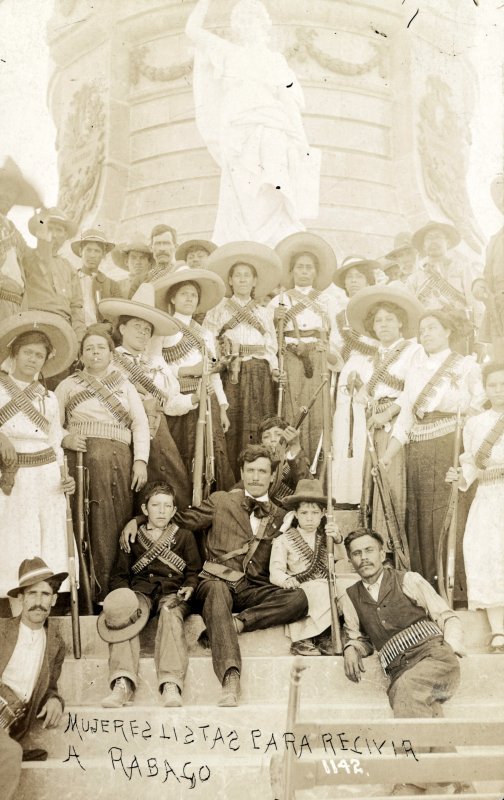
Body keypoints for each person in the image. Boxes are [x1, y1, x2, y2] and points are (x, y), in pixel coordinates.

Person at [122, 444, 309, 706]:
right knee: (219, 589)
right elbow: (180, 519)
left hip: (253, 587)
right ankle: (230, 678)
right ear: (242, 472)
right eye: (250, 470)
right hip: (213, 583)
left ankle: (237, 624)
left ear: (272, 475)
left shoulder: (281, 516)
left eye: (262, 471)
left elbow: (308, 535)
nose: (255, 477)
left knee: (298, 598)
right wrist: (138, 520)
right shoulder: (221, 500)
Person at [341, 529, 467, 797]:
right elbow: (361, 639)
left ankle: (409, 780)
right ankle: (456, 780)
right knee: (412, 698)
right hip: (401, 672)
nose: (364, 558)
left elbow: (447, 616)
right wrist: (351, 648)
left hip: (436, 658)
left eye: (369, 550)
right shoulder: (350, 597)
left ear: (382, 553)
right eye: (356, 553)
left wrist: (452, 648)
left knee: (407, 690)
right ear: (350, 560)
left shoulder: (408, 580)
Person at [185, 0, 320, 247]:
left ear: (263, 24)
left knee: (273, 189)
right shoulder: (228, 53)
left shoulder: (275, 60)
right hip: (238, 135)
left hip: (272, 129)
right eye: (242, 21)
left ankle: (273, 244)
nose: (247, 26)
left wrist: (302, 143)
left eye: (252, 20)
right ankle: (246, 246)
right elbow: (192, 31)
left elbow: (287, 101)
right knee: (244, 196)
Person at [380, 310, 483, 591]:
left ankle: (454, 589)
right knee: (419, 514)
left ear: (447, 331)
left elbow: (479, 404)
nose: (426, 334)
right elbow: (405, 418)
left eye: (432, 328)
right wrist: (388, 455)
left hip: (450, 442)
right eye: (422, 330)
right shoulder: (415, 371)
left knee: (446, 513)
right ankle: (424, 587)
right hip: (419, 450)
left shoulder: (465, 366)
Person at [55, 327, 150, 602]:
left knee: (116, 523)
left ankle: (115, 592)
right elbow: (52, 426)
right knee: (86, 524)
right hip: (81, 461)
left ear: (111, 354)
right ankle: (87, 594)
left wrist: (141, 461)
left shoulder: (124, 385)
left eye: (101, 347)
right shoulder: (67, 385)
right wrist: (67, 438)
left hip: (120, 461)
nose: (95, 352)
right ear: (81, 355)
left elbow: (140, 423)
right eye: (89, 348)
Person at [99, 482, 201, 709]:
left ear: (174, 511)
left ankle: (171, 683)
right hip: (141, 593)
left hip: (172, 592)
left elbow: (194, 571)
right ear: (145, 510)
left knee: (169, 611)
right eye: (156, 505)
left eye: (167, 506)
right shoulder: (133, 537)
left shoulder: (184, 537)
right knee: (124, 611)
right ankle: (122, 682)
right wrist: (123, 597)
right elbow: (120, 575)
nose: (162, 511)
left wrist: (190, 586)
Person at [0, 311, 78, 599]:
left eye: (39, 356)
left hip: (46, 475)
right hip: (12, 473)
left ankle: (47, 599)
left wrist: (64, 474)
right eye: (27, 353)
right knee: (14, 535)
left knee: (48, 537)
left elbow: (55, 439)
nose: (33, 359)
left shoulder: (48, 398)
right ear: (15, 353)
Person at [98, 282, 194, 510]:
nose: (143, 333)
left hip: (160, 434)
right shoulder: (110, 362)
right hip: (126, 435)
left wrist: (194, 399)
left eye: (147, 330)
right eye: (137, 326)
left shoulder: (155, 366)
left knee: (176, 485)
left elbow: (170, 402)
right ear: (122, 329)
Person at [344, 285, 424, 540]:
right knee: (376, 479)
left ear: (401, 322)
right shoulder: (376, 356)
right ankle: (376, 538)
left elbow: (412, 391)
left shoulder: (413, 350)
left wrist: (387, 413)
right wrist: (358, 390)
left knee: (392, 480)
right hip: (375, 424)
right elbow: (365, 396)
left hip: (398, 422)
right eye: (379, 321)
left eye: (390, 319)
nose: (384, 324)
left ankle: (393, 543)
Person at [152, 267, 236, 492]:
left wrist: (223, 406)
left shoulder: (206, 333)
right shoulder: (163, 328)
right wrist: (189, 370)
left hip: (209, 402)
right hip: (180, 401)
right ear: (173, 298)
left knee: (214, 454)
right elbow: (156, 366)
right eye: (184, 294)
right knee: (185, 453)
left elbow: (213, 372)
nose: (189, 299)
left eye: (193, 295)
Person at [204, 241, 282, 473]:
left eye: (247, 275)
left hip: (259, 373)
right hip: (232, 373)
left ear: (255, 281)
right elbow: (209, 342)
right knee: (233, 423)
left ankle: (260, 473)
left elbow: (271, 347)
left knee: (259, 423)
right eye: (237, 275)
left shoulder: (263, 312)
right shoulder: (218, 310)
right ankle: (233, 476)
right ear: (229, 280)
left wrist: (274, 369)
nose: (242, 280)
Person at [446, 362, 504, 653]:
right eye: (493, 385)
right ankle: (499, 630)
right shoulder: (475, 423)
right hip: (488, 496)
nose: (499, 390)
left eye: (503, 384)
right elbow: (469, 463)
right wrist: (459, 477)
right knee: (487, 554)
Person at [1, 558, 67, 800]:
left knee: (8, 749)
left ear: (54, 599)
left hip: (11, 724)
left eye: (45, 594)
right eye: (32, 594)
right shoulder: (1, 631)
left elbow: (49, 685)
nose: (38, 602)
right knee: (8, 753)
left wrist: (54, 700)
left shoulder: (56, 645)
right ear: (21, 598)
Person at [269, 232, 337, 461]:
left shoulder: (326, 300)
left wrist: (327, 349)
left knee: (317, 409)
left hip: (317, 357)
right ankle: (291, 460)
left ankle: (317, 463)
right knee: (292, 408)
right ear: (292, 271)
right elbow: (271, 339)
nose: (305, 271)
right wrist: (275, 319)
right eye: (300, 267)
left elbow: (333, 334)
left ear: (316, 272)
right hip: (291, 357)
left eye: (309, 267)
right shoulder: (279, 300)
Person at [269, 479, 342, 655]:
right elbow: (275, 571)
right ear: (295, 514)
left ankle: (325, 638)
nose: (309, 517)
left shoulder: (327, 538)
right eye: (304, 512)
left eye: (315, 512)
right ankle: (302, 639)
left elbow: (340, 560)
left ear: (323, 513)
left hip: (324, 585)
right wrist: (287, 580)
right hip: (299, 587)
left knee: (339, 589)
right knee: (319, 590)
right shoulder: (284, 539)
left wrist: (338, 539)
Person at [330, 257, 378, 505]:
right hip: (349, 371)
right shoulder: (340, 317)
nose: (354, 281)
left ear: (369, 279)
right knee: (344, 428)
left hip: (376, 370)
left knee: (365, 428)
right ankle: (345, 494)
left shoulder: (378, 310)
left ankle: (367, 494)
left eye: (359, 275)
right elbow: (335, 354)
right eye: (350, 277)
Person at [406, 221, 480, 352]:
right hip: (428, 333)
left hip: (458, 329)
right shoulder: (415, 277)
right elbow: (410, 310)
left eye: (438, 237)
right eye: (429, 238)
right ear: (424, 245)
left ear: (448, 242)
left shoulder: (462, 268)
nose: (433, 241)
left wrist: (480, 340)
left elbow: (475, 303)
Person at [24, 207, 86, 345]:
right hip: (32, 322)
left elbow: (76, 306)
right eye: (50, 228)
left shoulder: (69, 268)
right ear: (40, 232)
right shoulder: (27, 257)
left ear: (65, 236)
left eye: (59, 230)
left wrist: (79, 337)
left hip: (62, 327)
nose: (54, 235)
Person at [0, 156, 42, 321]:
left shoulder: (13, 230)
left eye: (12, 192)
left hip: (16, 300)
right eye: (3, 189)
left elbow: (32, 261)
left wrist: (43, 235)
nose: (7, 195)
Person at [257, 414, 313, 505]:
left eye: (278, 434)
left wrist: (295, 446)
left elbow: (307, 486)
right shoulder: (257, 462)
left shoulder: (295, 460)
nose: (273, 439)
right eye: (266, 436)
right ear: (261, 442)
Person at [71, 227, 116, 325]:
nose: (92, 255)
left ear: (103, 254)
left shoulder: (112, 285)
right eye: (88, 250)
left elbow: (116, 318)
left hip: (100, 334)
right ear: (80, 251)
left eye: (97, 251)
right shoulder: (70, 280)